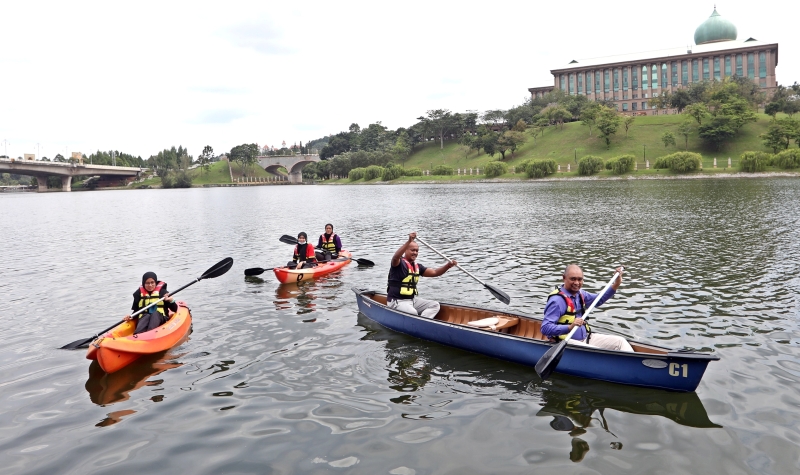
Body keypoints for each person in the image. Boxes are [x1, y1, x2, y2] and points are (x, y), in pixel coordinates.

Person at [541, 264, 634, 352]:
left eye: (580, 279)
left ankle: (632, 364)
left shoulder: (581, 294)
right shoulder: (557, 301)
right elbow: (545, 328)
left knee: (620, 342)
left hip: (585, 338)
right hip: (565, 342)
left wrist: (616, 283)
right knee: (597, 351)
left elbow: (599, 300)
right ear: (564, 278)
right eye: (573, 279)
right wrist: (570, 327)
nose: (577, 283)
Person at [387, 231, 457, 318]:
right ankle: (418, 322)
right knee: (413, 313)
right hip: (397, 301)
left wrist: (448, 266)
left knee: (435, 305)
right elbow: (395, 257)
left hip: (412, 301)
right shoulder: (398, 264)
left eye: (417, 251)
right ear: (405, 250)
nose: (415, 253)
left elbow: (435, 273)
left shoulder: (418, 267)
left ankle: (423, 321)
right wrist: (409, 241)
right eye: (412, 250)